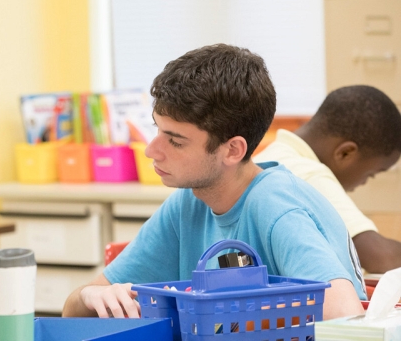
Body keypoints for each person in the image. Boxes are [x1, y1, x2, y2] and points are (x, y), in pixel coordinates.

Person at [62, 44, 366, 321]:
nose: (151, 151)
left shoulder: (275, 204)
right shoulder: (189, 202)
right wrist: (92, 296)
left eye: (176, 141)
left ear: (232, 150)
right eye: (158, 129)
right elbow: (72, 312)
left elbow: (345, 314)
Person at [254, 85, 401, 274]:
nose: (363, 183)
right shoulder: (306, 172)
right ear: (345, 153)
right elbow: (381, 257)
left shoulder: (270, 158)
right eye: (370, 174)